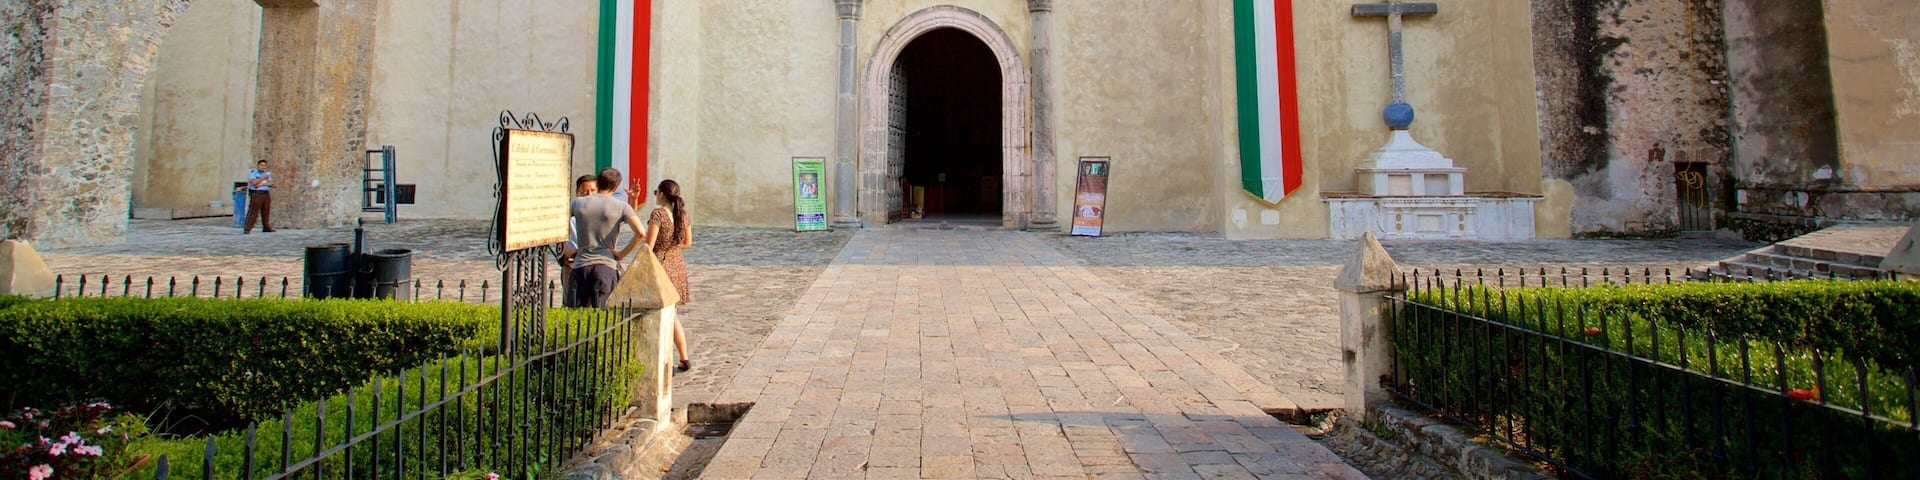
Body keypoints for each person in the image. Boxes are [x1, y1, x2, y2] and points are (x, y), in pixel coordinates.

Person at [568, 168, 644, 309]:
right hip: (606, 265)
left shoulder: (577, 203)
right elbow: (640, 232)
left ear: (598, 182)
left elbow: (557, 225)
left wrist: (567, 250)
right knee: (603, 317)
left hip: (581, 264)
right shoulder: (621, 206)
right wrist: (622, 254)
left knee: (574, 315)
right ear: (616, 187)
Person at [644, 179, 694, 372]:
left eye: (656, 191)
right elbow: (688, 242)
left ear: (662, 194)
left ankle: (672, 355)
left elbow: (649, 244)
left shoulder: (658, 214)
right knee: (671, 313)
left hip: (661, 264)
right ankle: (683, 357)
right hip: (677, 265)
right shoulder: (682, 214)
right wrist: (673, 247)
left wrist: (662, 249)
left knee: (665, 314)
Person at [561, 174, 597, 308]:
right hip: (572, 264)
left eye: (593, 191)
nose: (589, 194)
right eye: (585, 191)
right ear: (577, 192)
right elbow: (558, 236)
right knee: (572, 303)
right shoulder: (569, 212)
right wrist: (568, 252)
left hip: (594, 264)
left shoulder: (601, 213)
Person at [243, 160, 274, 234]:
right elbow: (254, 182)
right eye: (261, 165)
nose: (263, 167)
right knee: (254, 211)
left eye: (264, 165)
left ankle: (266, 227)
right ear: (258, 165)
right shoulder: (253, 173)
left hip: (265, 193)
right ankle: (247, 228)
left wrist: (262, 184)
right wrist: (263, 178)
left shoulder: (266, 173)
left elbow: (271, 183)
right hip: (257, 193)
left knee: (266, 210)